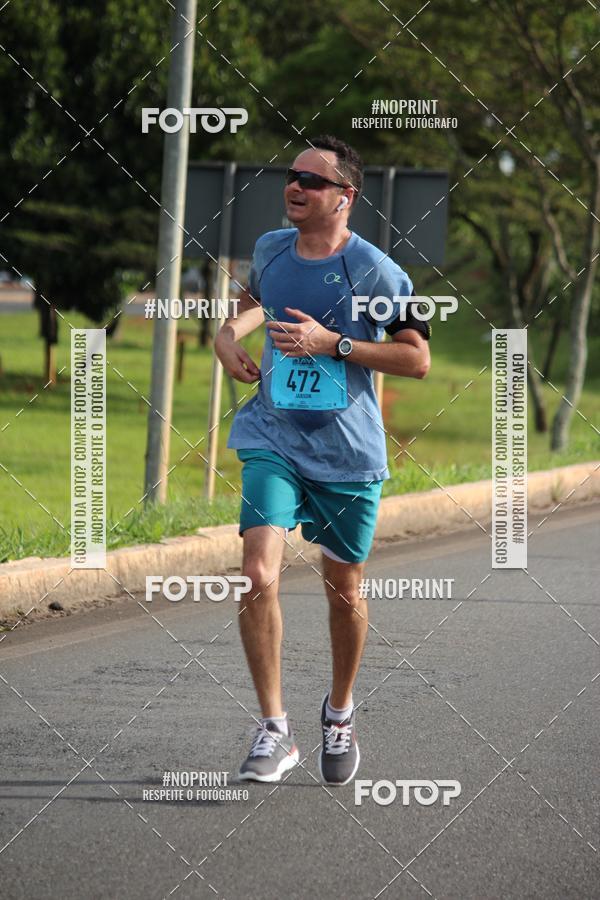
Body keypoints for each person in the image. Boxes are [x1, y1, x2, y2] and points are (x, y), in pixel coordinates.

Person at [215, 135, 430, 785]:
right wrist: (229, 335)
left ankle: (339, 711)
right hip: (272, 434)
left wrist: (332, 344)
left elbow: (416, 358)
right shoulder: (271, 249)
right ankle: (274, 730)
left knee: (345, 593)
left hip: (348, 452)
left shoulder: (377, 272)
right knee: (256, 573)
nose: (295, 186)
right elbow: (257, 302)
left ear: (346, 197)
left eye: (312, 179)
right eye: (291, 175)